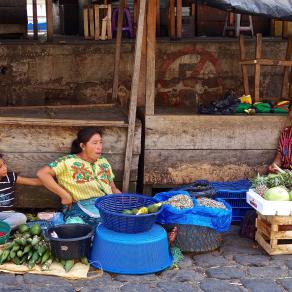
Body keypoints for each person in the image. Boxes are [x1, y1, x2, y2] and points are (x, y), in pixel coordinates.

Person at [37, 127, 121, 225]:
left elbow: (113, 188)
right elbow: (42, 174)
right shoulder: (67, 161)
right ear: (83, 146)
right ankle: (57, 219)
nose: (99, 147)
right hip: (79, 206)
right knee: (84, 228)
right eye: (94, 143)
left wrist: (122, 202)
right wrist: (64, 195)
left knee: (118, 223)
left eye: (100, 142)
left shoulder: (103, 161)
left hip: (105, 205)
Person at [0, 154, 42, 229]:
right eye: (0, 167)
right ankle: (4, 229)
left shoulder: (10, 177)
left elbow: (34, 182)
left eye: (4, 164)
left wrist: (50, 181)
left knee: (21, 218)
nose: (4, 168)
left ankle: (3, 227)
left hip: (8, 215)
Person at [268, 102, 292, 173]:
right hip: (286, 173)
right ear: (289, 112)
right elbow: (280, 155)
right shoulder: (286, 133)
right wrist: (275, 165)